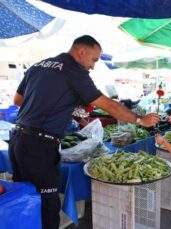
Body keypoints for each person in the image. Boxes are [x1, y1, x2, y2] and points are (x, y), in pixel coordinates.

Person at [9, 35, 159, 229]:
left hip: (18, 140)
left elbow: (18, 100)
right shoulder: (74, 70)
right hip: (40, 145)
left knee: (25, 199)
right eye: (94, 59)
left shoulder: (38, 66)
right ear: (81, 52)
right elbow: (106, 104)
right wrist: (140, 120)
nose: (93, 66)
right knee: (48, 203)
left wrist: (59, 106)